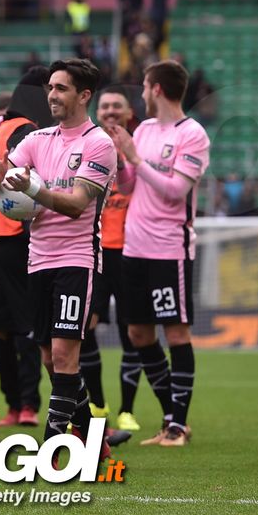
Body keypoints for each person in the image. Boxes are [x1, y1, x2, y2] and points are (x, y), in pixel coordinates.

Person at [0, 58, 118, 465]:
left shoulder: (99, 144)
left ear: (84, 95)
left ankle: (52, 448)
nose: (52, 95)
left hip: (77, 260)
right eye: (51, 88)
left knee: (64, 356)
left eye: (61, 88)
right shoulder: (37, 139)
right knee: (48, 358)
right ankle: (95, 439)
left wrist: (33, 188)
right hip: (37, 260)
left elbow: (77, 205)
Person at [107, 62, 210, 448]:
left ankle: (179, 426)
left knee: (177, 332)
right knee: (138, 333)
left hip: (170, 249)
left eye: (146, 87)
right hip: (135, 247)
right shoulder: (146, 130)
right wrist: (121, 161)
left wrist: (134, 158)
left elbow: (175, 191)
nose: (142, 95)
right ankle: (170, 419)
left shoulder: (193, 135)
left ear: (157, 89)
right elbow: (131, 184)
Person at [0, 66, 51, 428]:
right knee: (27, 329)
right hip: (16, 235)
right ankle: (28, 406)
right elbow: (25, 179)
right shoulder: (29, 131)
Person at [93, 86, 143, 433]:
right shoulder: (87, 143)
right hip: (93, 252)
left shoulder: (141, 145)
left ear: (128, 113)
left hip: (129, 252)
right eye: (105, 106)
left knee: (133, 332)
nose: (110, 111)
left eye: (116, 106)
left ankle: (127, 409)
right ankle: (97, 404)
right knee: (84, 327)